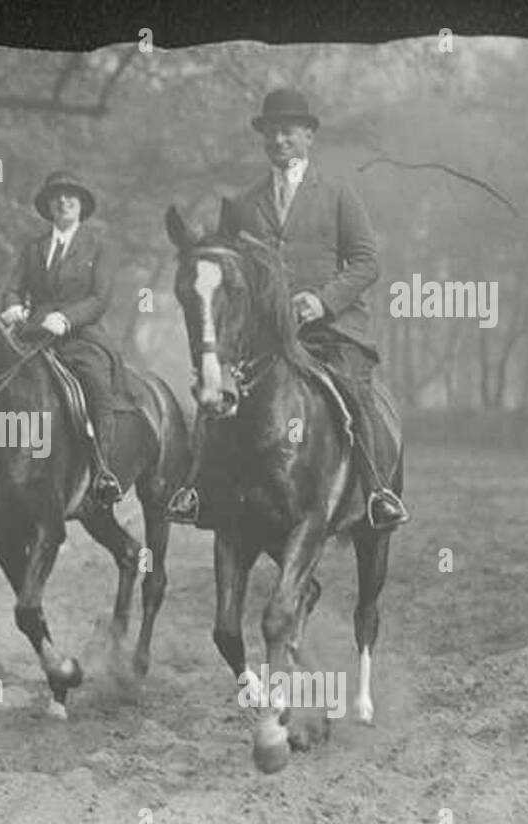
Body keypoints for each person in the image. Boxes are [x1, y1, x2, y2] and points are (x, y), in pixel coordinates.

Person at [170, 88, 409, 531]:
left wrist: (323, 300)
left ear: (308, 136)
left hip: (330, 331)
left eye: (288, 132)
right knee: (216, 393)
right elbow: (228, 267)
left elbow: (366, 262)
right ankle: (197, 488)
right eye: (271, 133)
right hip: (262, 336)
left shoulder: (339, 195)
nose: (278, 141)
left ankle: (376, 491)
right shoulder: (241, 205)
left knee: (355, 394)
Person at [1, 170, 124, 505]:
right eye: (56, 196)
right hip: (33, 337)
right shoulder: (34, 248)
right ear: (48, 206)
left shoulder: (100, 247)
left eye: (71, 196)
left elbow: (99, 299)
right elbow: (13, 287)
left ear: (81, 204)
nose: (63, 201)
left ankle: (102, 470)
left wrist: (67, 319)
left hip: (80, 338)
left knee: (96, 385)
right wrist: (12, 306)